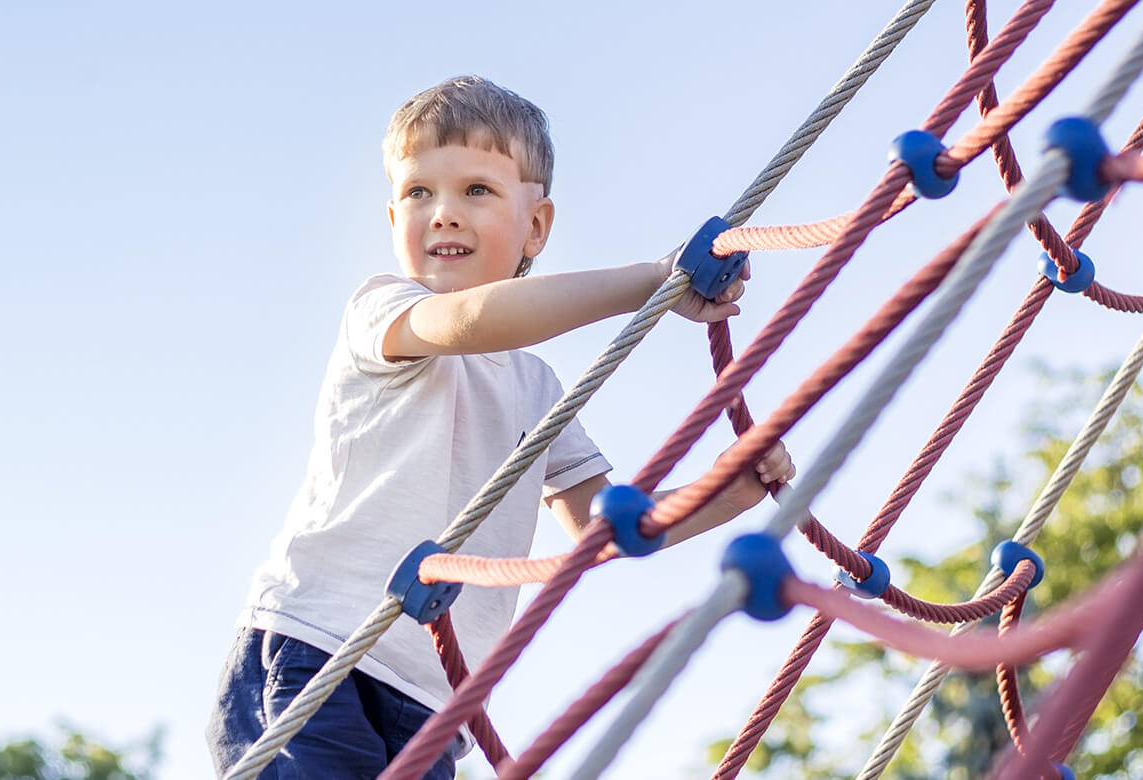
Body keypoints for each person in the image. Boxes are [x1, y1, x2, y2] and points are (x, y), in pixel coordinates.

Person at [209, 75, 795, 780]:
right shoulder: (383, 312)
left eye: (476, 191)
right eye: (419, 192)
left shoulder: (535, 386)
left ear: (537, 226)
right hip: (318, 651)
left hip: (433, 701)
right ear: (393, 215)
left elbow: (600, 528)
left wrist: (728, 492)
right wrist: (649, 281)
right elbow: (464, 321)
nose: (444, 213)